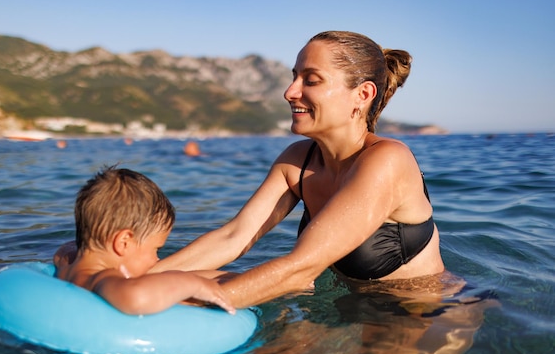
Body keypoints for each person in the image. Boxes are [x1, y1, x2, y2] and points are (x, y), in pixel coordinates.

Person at [55, 30, 445, 309]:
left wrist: (181, 298)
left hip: (420, 315)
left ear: (362, 95)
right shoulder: (298, 159)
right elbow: (235, 237)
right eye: (294, 77)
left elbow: (300, 268)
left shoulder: (387, 160)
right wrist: (128, 277)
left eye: (310, 80)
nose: (290, 92)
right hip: (349, 308)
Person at [54, 166, 235, 315]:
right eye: (156, 249)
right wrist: (194, 284)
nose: (157, 259)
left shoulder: (66, 263)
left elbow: (65, 249)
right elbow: (137, 297)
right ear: (123, 242)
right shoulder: (102, 278)